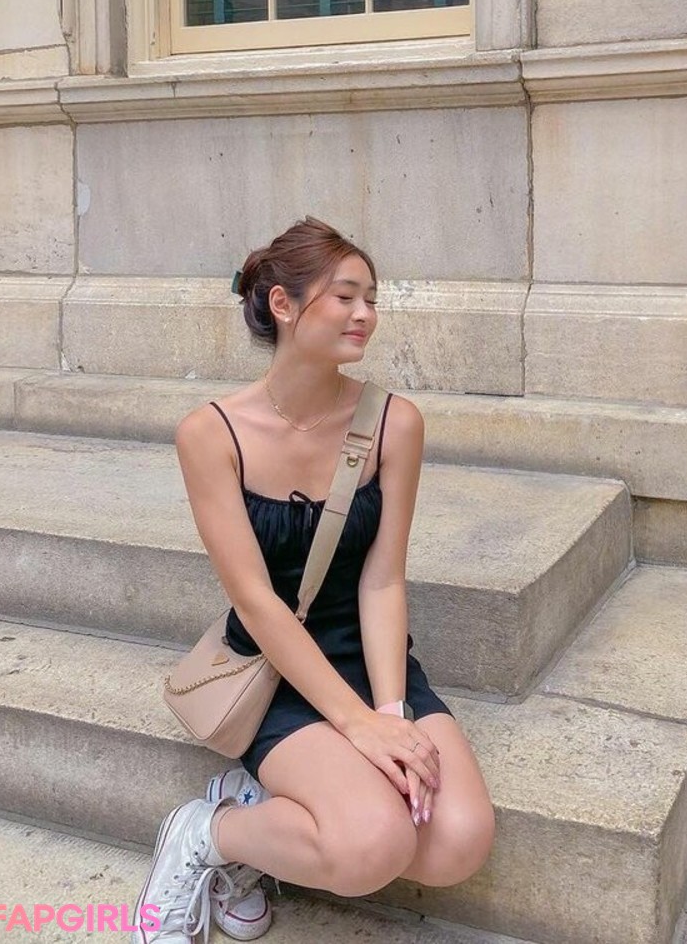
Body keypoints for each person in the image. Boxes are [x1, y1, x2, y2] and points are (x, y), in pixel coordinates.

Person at [132, 216, 496, 943]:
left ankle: (270, 809)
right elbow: (255, 600)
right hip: (275, 669)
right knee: (370, 847)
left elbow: (383, 580)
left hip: (370, 657)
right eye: (345, 297)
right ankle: (211, 833)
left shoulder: (394, 423)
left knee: (456, 842)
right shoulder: (211, 434)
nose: (365, 315)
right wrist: (355, 726)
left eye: (372, 300)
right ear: (283, 304)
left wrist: (389, 713)